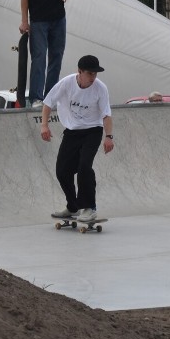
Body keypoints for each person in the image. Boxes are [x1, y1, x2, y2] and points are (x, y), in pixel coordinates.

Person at [43, 55, 113, 223]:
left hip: (93, 131)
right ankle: (73, 206)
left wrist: (109, 136)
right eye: (90, 74)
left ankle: (89, 207)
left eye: (95, 74)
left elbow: (106, 114)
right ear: (79, 72)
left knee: (84, 167)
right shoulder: (67, 83)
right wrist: (44, 125)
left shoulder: (100, 88)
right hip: (72, 132)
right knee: (62, 171)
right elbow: (47, 103)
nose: (93, 78)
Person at [20, 0, 74, 108]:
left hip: (58, 18)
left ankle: (51, 97)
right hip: (39, 20)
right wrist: (24, 21)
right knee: (39, 57)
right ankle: (36, 97)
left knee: (56, 57)